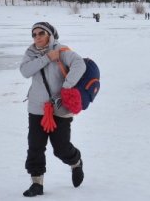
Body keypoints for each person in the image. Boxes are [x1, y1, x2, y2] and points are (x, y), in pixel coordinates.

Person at [20, 22, 86, 197]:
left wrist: (67, 86)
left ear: (50, 34)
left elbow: (80, 64)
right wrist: (48, 58)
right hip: (36, 108)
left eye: (41, 33)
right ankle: (37, 183)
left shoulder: (62, 50)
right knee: (35, 146)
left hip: (59, 108)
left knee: (61, 148)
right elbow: (25, 71)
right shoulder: (31, 53)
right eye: (34, 34)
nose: (37, 37)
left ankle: (76, 161)